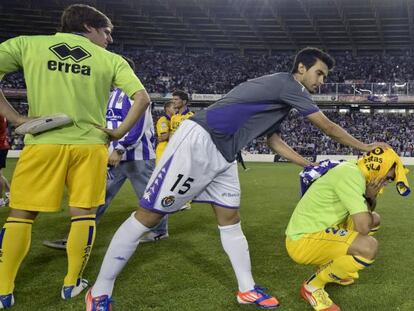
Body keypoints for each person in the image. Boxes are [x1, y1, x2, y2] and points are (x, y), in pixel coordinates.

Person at [86, 47, 388, 310]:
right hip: (201, 142)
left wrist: (305, 162)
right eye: (320, 74)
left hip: (226, 153)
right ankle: (99, 291)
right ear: (301, 68)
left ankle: (246, 289)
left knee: (230, 218)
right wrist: (365, 146)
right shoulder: (288, 84)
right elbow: (326, 125)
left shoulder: (284, 96)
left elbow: (272, 139)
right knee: (149, 216)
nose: (322, 81)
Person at [0, 4, 150, 309]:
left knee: (21, 215)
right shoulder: (111, 59)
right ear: (87, 26)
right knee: (83, 214)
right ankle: (71, 284)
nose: (109, 39)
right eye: (106, 32)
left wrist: (15, 118)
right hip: (90, 146)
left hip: (42, 143)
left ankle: (4, 289)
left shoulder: (27, 44)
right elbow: (142, 98)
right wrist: (119, 132)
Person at [42, 58, 168, 250]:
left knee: (148, 196)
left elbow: (138, 127)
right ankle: (78, 235)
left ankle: (159, 231)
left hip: (137, 158)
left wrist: (119, 148)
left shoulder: (134, 92)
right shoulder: (112, 94)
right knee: (99, 196)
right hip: (114, 158)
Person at [285, 147, 410, 311]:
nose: (388, 181)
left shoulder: (355, 170)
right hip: (302, 240)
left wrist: (370, 196)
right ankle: (312, 287)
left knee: (374, 219)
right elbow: (363, 228)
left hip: (320, 231)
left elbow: (368, 215)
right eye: (389, 176)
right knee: (368, 247)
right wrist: (368, 196)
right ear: (380, 167)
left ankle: (334, 269)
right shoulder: (350, 175)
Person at [155, 100, 175, 165]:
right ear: (167, 109)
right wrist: (178, 131)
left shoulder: (173, 120)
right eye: (174, 108)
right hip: (163, 151)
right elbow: (163, 137)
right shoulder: (163, 120)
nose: (176, 110)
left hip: (170, 151)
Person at [0, 114, 10, 207]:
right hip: (3, 145)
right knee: (0, 175)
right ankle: (10, 195)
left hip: (0, 146)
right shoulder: (3, 113)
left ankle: (0, 200)